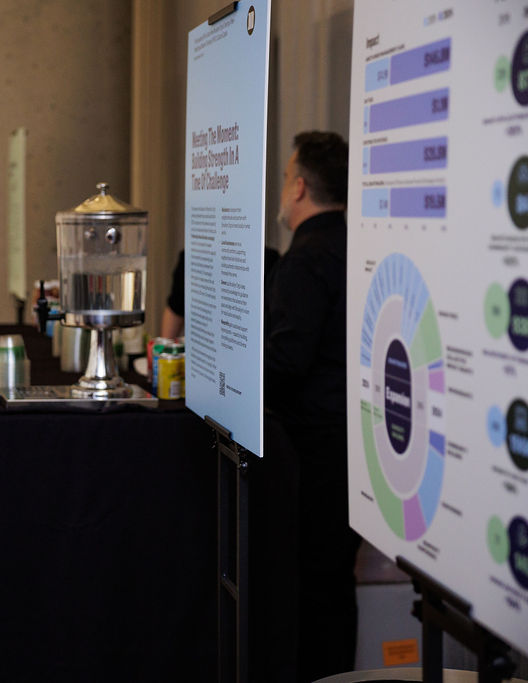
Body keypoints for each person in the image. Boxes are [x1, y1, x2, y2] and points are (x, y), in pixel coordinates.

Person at [261, 130, 357, 681]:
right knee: (334, 588)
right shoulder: (357, 243)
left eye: (285, 177)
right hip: (353, 444)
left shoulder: (305, 259)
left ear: (298, 187)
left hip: (312, 453)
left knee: (307, 593)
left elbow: (286, 363)